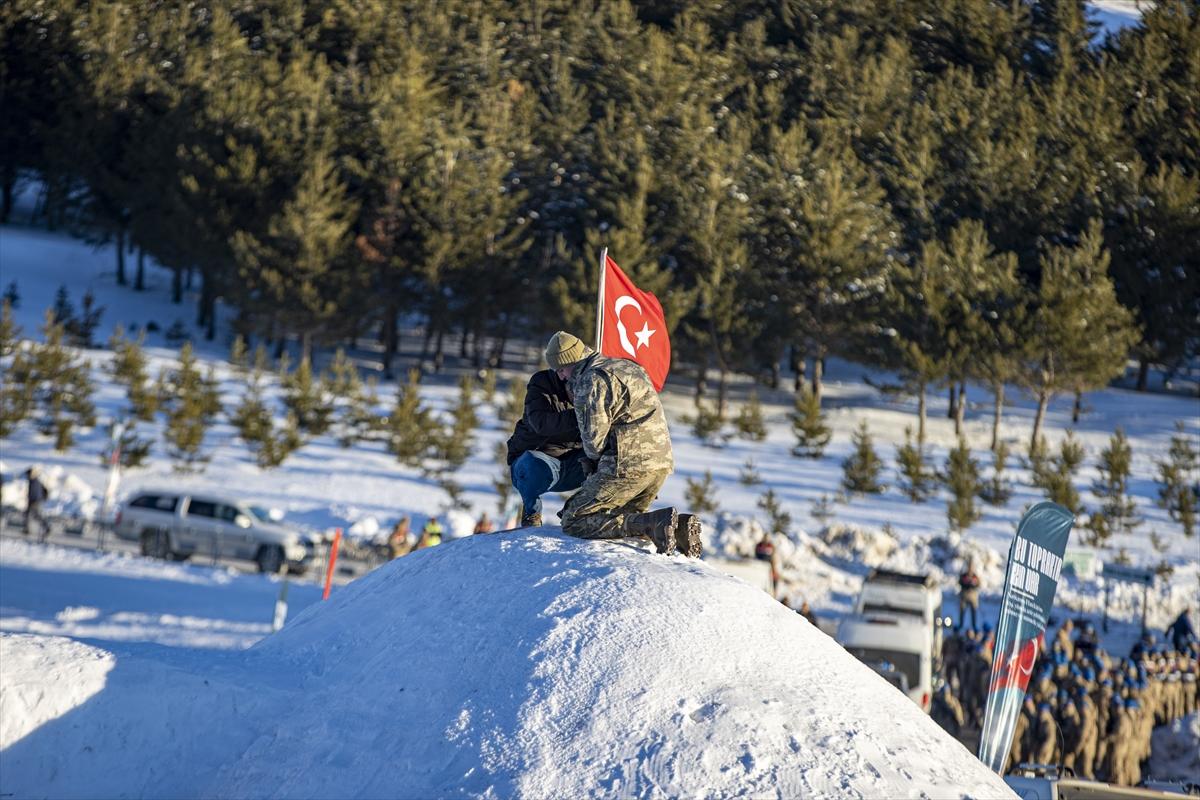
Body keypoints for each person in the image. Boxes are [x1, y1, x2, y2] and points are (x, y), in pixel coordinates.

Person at [546, 331, 701, 557]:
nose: (561, 377)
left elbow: (593, 440)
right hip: (660, 462)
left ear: (572, 361)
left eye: (561, 370)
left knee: (575, 519)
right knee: (623, 515)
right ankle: (678, 529)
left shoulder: (591, 380)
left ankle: (656, 523)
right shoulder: (626, 366)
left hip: (627, 463)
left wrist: (592, 464)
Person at [506, 363, 590, 527]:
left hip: (572, 465)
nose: (578, 397)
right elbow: (541, 424)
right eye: (575, 392)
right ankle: (532, 515)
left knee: (610, 459)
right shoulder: (542, 387)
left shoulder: (592, 402)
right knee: (531, 462)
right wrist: (580, 415)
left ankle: (577, 511)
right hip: (537, 464)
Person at [24, 466, 47, 541]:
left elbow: (34, 492)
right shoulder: (34, 480)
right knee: (30, 515)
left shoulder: (34, 481)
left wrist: (32, 500)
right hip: (34, 500)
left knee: (35, 516)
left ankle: (46, 527)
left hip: (34, 501)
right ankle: (27, 529)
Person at [957, 560, 980, 631]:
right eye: (969, 567)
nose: (970, 569)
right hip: (964, 596)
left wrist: (973, 584)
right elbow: (959, 582)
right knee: (962, 611)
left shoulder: (975, 576)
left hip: (973, 597)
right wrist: (965, 583)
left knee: (974, 611)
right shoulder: (963, 575)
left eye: (971, 567)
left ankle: (974, 626)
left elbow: (979, 584)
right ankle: (961, 625)